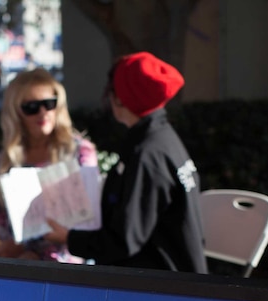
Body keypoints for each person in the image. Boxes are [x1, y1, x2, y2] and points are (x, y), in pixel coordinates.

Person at [44, 52, 208, 273]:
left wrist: (69, 238)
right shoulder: (162, 138)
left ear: (120, 98)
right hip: (173, 278)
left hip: (159, 290)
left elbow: (124, 241)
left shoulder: (147, 154)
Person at [0, 67, 97, 262]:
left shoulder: (80, 151)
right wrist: (14, 248)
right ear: (16, 112)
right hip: (19, 259)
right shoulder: (7, 158)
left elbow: (92, 220)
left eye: (49, 104)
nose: (43, 113)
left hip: (69, 256)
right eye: (31, 107)